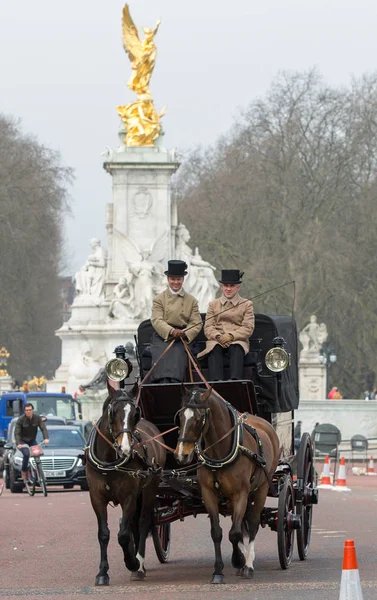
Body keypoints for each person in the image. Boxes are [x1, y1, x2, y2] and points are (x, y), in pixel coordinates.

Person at [150, 260, 202, 383]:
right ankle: (161, 383)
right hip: (163, 336)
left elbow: (197, 322)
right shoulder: (159, 299)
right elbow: (157, 319)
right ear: (168, 279)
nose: (176, 282)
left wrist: (185, 333)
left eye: (178, 279)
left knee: (177, 354)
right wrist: (172, 331)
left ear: (183, 279)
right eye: (173, 279)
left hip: (182, 338)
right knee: (162, 354)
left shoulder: (192, 300)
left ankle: (175, 383)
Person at [198, 269, 254, 381]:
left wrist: (231, 336)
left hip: (237, 339)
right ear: (221, 287)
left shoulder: (247, 304)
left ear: (238, 287)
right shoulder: (213, 304)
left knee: (237, 348)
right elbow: (208, 327)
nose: (228, 289)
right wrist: (218, 337)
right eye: (226, 286)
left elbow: (248, 327)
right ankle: (215, 381)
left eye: (232, 286)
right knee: (214, 348)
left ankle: (235, 380)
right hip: (217, 339)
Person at [15, 403, 49, 480]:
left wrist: (46, 438)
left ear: (32, 410)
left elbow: (43, 428)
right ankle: (24, 471)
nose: (28, 412)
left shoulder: (37, 418)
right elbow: (17, 433)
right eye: (26, 410)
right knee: (26, 454)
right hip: (22, 441)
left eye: (30, 410)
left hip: (32, 440)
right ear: (24, 411)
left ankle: (40, 473)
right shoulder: (21, 420)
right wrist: (18, 443)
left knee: (37, 454)